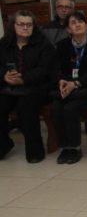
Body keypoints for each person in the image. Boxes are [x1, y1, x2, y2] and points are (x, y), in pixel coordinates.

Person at [52, 10, 87, 164]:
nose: (78, 25)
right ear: (68, 29)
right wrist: (61, 80)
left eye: (80, 21)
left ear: (86, 24)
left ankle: (75, 148)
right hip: (68, 88)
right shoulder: (62, 46)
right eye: (73, 23)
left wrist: (77, 83)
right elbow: (55, 68)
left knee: (70, 109)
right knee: (56, 108)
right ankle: (65, 147)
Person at [0, 10, 55, 163]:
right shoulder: (4, 44)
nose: (25, 28)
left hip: (36, 87)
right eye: (21, 24)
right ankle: (3, 145)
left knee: (26, 107)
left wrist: (23, 79)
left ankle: (35, 151)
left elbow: (45, 70)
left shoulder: (43, 44)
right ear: (13, 25)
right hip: (8, 87)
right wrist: (4, 76)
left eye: (29, 25)